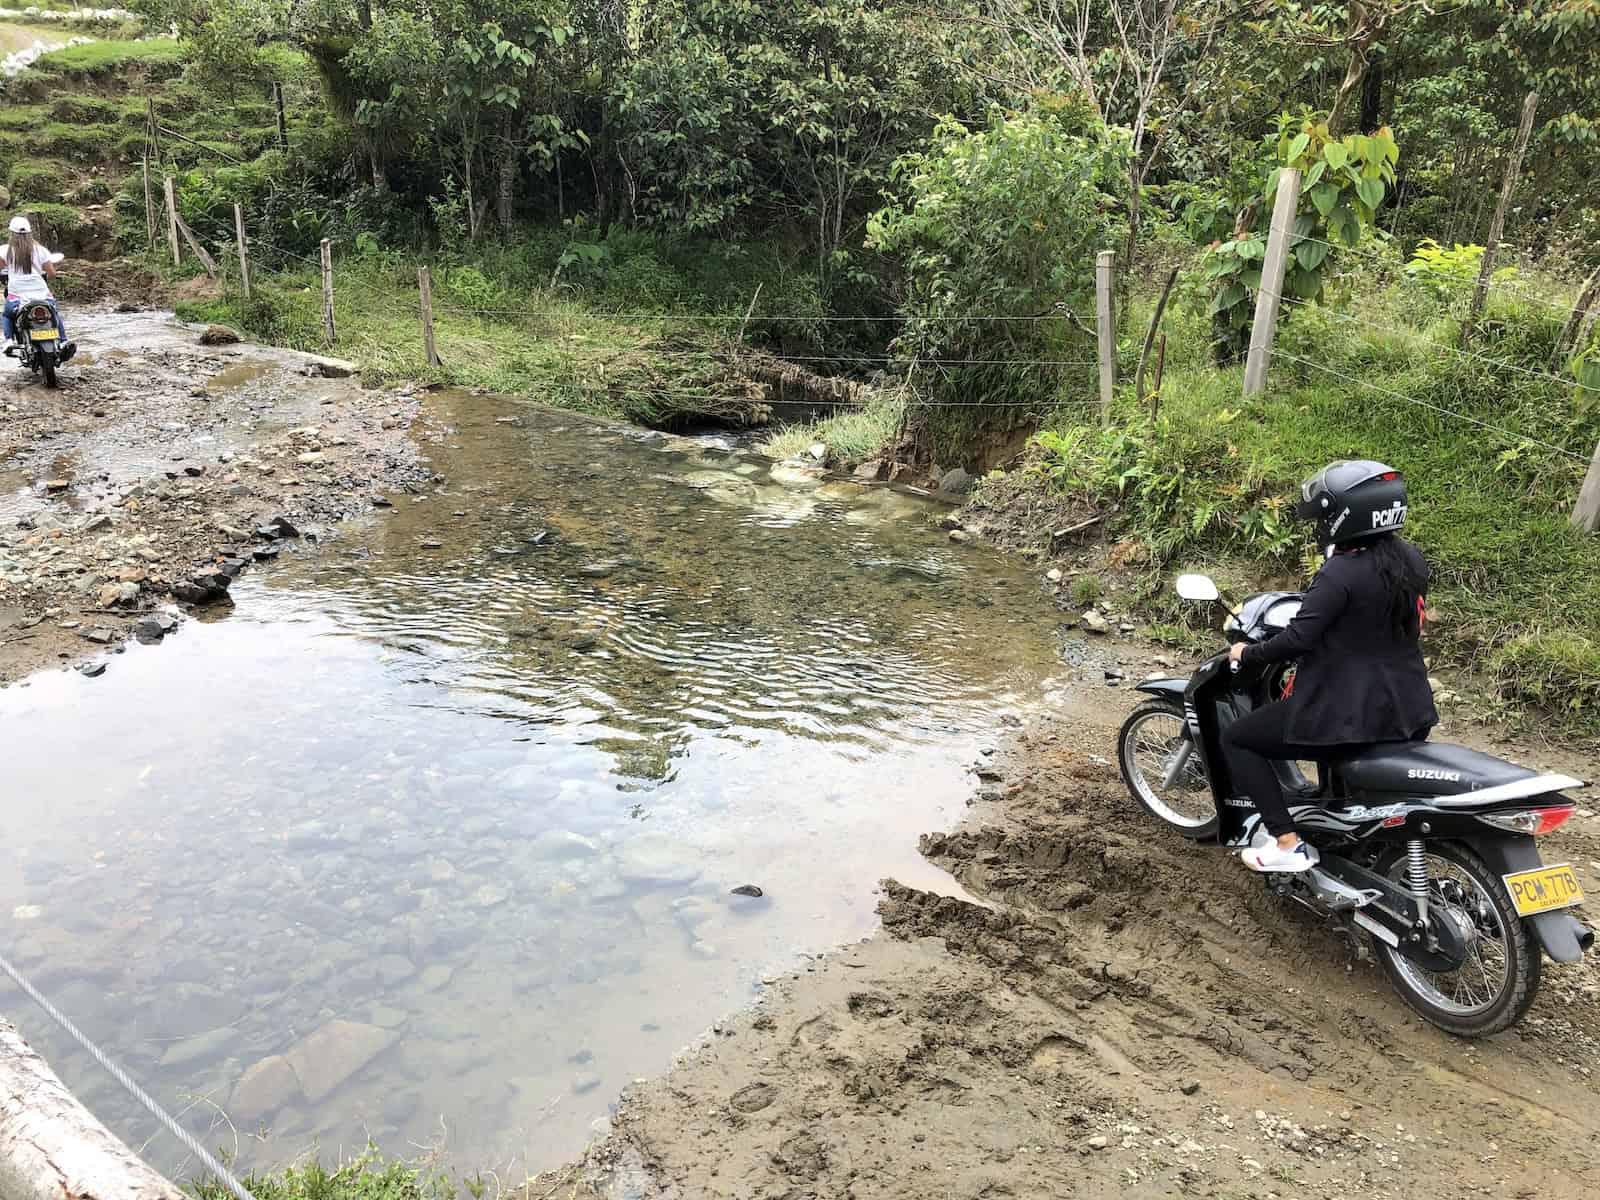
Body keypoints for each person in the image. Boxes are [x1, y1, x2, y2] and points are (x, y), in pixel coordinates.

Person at [1223, 460, 1438, 873]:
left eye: (1323, 515)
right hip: (1408, 707)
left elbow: (1299, 638)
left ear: (1344, 515)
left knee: (1239, 739)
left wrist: (1246, 654)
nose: (1319, 524)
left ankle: (1286, 842)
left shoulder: (1340, 572)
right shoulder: (1411, 559)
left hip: (1348, 715)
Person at [1, 215, 74, 361]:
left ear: (11, 233)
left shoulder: (5, 251)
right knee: (54, 312)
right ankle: (64, 340)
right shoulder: (40, 250)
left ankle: (9, 341)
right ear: (29, 233)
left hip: (18, 295)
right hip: (41, 293)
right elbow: (51, 273)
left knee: (7, 315)